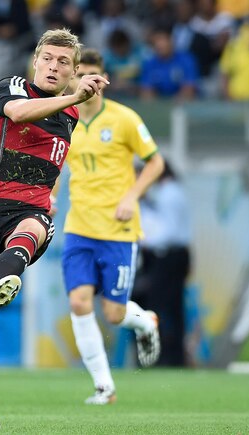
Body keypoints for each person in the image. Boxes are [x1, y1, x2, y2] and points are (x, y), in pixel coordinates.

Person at [0, 28, 108, 428]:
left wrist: (51, 193)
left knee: (35, 228)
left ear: (72, 71)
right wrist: (76, 96)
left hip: (30, 209)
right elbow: (18, 114)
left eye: (63, 62)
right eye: (47, 58)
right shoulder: (12, 86)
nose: (53, 66)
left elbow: (54, 161)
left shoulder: (70, 116)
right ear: (35, 62)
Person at [60, 48, 164, 405]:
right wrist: (49, 197)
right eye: (80, 75)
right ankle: (104, 387)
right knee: (78, 303)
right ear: (72, 79)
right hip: (79, 227)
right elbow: (56, 163)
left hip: (118, 230)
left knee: (114, 314)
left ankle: (145, 321)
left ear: (103, 80)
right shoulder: (64, 118)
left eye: (93, 76)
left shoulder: (124, 119)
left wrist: (131, 196)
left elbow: (155, 162)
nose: (87, 82)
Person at [135, 161, 191, 367]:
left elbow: (168, 232)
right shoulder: (172, 192)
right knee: (173, 307)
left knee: (162, 307)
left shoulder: (168, 195)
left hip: (167, 255)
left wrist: (145, 241)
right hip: (175, 255)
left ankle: (165, 357)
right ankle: (173, 357)